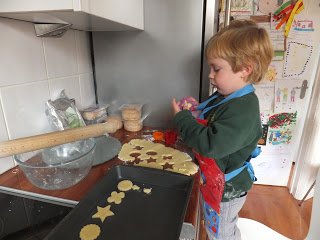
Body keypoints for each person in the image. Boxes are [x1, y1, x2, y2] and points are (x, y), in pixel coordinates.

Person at [172, 20, 273, 240]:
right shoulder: (225, 96)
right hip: (214, 181)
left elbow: (210, 143)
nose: (210, 75)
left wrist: (181, 119)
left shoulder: (244, 109)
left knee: (221, 234)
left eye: (216, 68)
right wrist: (193, 110)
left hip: (227, 190)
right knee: (213, 226)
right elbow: (212, 119)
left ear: (245, 70)